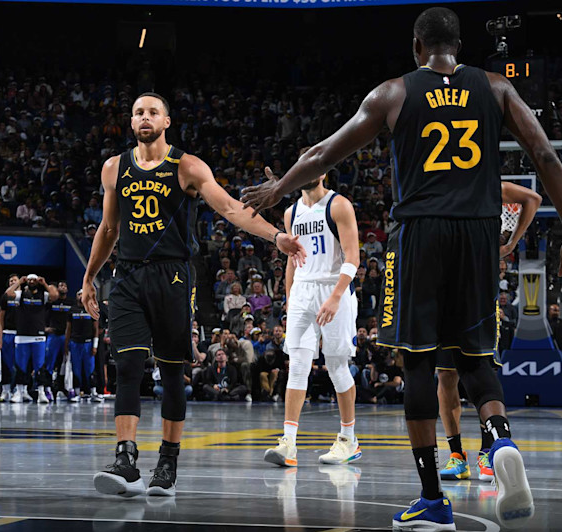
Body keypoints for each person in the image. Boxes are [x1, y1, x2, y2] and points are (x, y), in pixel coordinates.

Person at [241, 8, 562, 530]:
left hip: (420, 234)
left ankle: (432, 499)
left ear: (417, 48)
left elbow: (323, 152)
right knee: (474, 359)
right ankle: (499, 441)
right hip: (477, 234)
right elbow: (544, 155)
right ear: (459, 47)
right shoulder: (494, 88)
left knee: (420, 363)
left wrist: (278, 189)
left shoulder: (394, 93)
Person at [82, 92, 305, 498]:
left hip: (173, 278)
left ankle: (167, 462)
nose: (144, 117)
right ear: (131, 123)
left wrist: (276, 236)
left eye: (152, 112)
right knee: (128, 367)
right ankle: (125, 459)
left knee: (171, 374)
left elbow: (231, 209)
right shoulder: (114, 168)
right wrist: (89, 277)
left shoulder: (186, 166)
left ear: (167, 121)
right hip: (128, 277)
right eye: (138, 113)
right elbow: (108, 229)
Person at [436, 181, 541, 483]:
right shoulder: (440, 188)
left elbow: (532, 198)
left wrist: (510, 244)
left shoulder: (489, 185)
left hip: (480, 295)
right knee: (446, 375)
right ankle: (457, 454)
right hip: (446, 292)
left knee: (481, 369)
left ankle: (487, 451)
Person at [263, 149, 361, 469]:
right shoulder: (291, 213)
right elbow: (293, 260)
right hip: (304, 291)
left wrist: (334, 297)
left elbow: (352, 257)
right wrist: (291, 300)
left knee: (336, 367)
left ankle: (348, 439)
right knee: (298, 364)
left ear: (323, 172)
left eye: (313, 167)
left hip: (334, 287)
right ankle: (288, 443)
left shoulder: (339, 205)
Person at [4, 274, 59, 404]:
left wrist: (45, 283)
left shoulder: (43, 296)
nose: (32, 282)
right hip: (22, 336)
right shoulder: (20, 295)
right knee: (21, 366)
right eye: (29, 280)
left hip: (38, 336)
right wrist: (19, 283)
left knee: (39, 366)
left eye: (34, 280)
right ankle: (19, 392)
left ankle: (41, 393)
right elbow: (8, 294)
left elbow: (55, 296)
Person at [65, 289, 100, 402]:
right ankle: (76, 392)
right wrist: (66, 345)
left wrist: (95, 345)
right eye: (79, 294)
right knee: (76, 369)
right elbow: (68, 329)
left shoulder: (92, 310)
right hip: (75, 344)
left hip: (88, 344)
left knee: (90, 369)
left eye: (83, 293)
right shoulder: (72, 310)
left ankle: (93, 392)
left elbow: (96, 329)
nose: (81, 296)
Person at [45, 281, 73, 402]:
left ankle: (66, 388)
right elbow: (41, 316)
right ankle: (47, 388)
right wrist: (45, 328)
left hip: (66, 337)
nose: (62, 287)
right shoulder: (51, 302)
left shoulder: (71, 303)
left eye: (64, 285)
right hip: (54, 336)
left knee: (66, 364)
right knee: (49, 363)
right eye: (60, 285)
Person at [0, 273, 20, 401]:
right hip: (8, 333)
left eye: (15, 280)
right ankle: (5, 390)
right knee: (6, 364)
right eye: (10, 280)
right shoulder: (5, 297)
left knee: (20, 364)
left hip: (21, 335)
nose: (12, 282)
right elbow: (0, 319)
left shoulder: (25, 296)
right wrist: (0, 338)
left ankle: (18, 389)